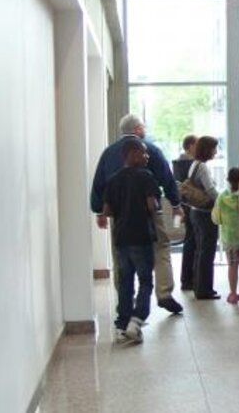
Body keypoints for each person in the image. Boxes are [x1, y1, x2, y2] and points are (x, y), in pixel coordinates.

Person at [91, 114, 183, 314]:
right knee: (161, 248)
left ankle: (124, 298)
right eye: (143, 126)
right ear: (138, 129)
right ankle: (164, 292)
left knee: (120, 254)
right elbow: (166, 178)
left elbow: (99, 183)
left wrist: (99, 211)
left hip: (119, 214)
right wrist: (175, 204)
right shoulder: (149, 149)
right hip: (147, 213)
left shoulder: (108, 153)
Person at [101, 139, 158, 343]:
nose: (146, 156)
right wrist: (155, 205)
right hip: (141, 236)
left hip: (121, 238)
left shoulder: (114, 180)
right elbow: (152, 205)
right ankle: (137, 319)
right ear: (132, 154)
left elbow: (106, 211)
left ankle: (122, 322)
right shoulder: (146, 176)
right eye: (143, 153)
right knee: (145, 281)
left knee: (125, 282)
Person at [211, 168, 239, 304]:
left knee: (232, 266)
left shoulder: (222, 197)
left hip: (229, 238)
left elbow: (216, 218)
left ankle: (233, 294)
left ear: (228, 180)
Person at [188, 136, 220, 300]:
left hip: (195, 211)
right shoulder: (203, 167)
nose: (216, 151)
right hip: (205, 214)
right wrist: (223, 201)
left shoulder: (194, 164)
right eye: (214, 148)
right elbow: (211, 190)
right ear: (207, 149)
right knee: (207, 252)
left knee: (200, 250)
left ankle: (199, 286)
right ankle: (205, 289)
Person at [174, 134, 198, 290]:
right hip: (191, 206)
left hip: (185, 205)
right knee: (192, 241)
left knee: (190, 241)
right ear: (190, 146)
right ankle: (188, 279)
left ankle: (187, 278)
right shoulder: (188, 165)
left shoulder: (177, 164)